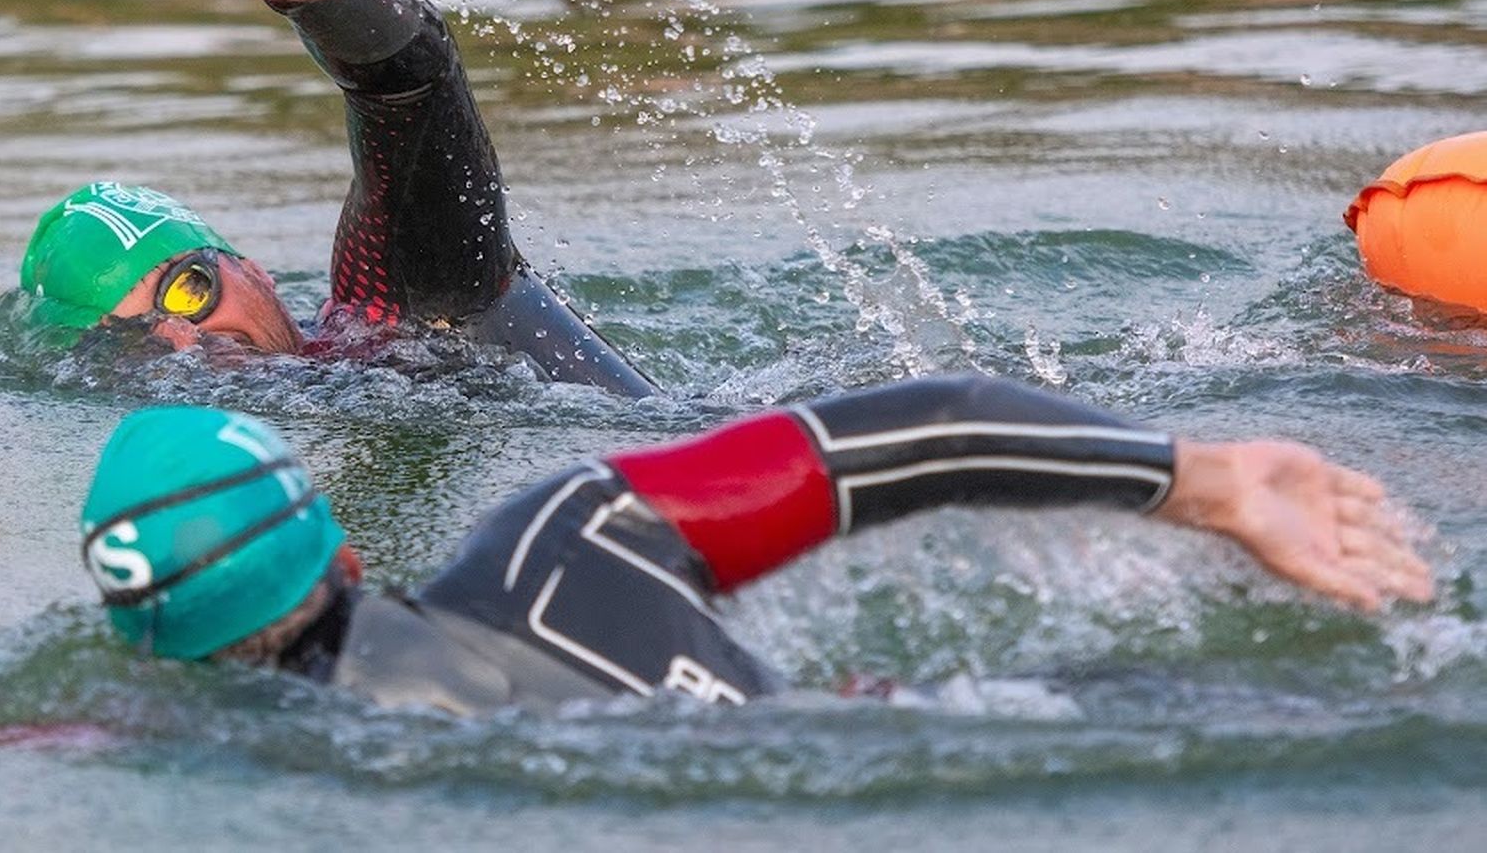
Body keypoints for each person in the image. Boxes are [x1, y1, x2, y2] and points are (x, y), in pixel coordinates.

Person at [79, 373, 1433, 714]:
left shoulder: (238, 758)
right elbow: (922, 431)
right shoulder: (566, 545)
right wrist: (1202, 479)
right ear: (348, 548)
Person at [18, 0, 655, 397]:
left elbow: (412, 90)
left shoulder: (391, 314)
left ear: (254, 271)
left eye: (187, 290)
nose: (182, 339)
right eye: (130, 342)